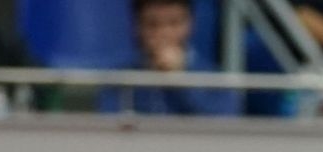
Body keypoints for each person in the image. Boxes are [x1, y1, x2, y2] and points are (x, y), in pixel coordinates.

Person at [101, 0, 239, 117]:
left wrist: (180, 80)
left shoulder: (217, 81)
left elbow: (223, 127)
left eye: (174, 23)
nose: (164, 32)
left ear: (190, 23)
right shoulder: (120, 79)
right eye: (152, 24)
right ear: (137, 27)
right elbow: (109, 125)